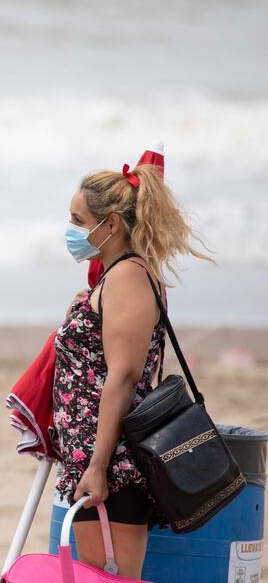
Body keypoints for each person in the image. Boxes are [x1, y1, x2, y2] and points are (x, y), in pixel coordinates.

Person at [53, 163, 212, 578]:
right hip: (96, 452)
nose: (70, 230)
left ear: (110, 224)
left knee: (108, 575)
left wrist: (97, 466)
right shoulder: (117, 277)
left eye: (78, 221)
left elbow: (123, 377)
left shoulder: (126, 277)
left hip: (112, 460)